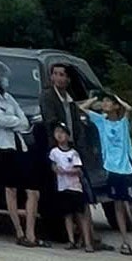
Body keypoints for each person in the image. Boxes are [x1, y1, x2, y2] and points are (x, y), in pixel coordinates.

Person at [0, 62, 40, 246]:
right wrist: (15, 121)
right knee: (11, 189)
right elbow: (1, 120)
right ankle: (19, 232)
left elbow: (23, 120)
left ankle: (31, 233)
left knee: (32, 190)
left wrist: (14, 121)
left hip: (17, 144)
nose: (6, 80)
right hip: (1, 146)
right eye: (2, 77)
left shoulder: (8, 97)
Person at [88, 94, 132, 258]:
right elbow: (82, 109)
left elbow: (129, 108)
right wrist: (94, 100)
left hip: (127, 169)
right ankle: (125, 242)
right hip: (111, 168)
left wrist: (118, 99)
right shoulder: (101, 122)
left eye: (109, 102)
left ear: (116, 106)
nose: (105, 104)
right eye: (104, 101)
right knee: (118, 205)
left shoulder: (123, 122)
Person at [42, 63, 101, 231]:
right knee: (66, 196)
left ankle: (88, 234)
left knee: (83, 193)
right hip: (59, 150)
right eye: (55, 74)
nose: (58, 78)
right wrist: (60, 143)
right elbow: (51, 122)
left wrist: (80, 148)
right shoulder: (48, 97)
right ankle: (71, 234)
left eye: (62, 74)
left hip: (73, 150)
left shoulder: (70, 98)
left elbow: (77, 125)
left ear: (68, 79)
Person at [50, 127, 94, 251]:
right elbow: (53, 166)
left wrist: (67, 171)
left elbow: (78, 169)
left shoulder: (73, 153)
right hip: (63, 187)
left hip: (75, 187)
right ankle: (71, 240)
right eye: (57, 132)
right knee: (67, 215)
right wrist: (56, 169)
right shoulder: (54, 152)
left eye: (62, 132)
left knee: (80, 214)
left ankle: (87, 241)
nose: (59, 135)